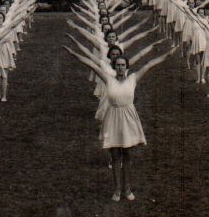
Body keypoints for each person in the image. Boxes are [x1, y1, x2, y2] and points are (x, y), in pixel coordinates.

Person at [69, 48, 174, 201]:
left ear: (127, 67)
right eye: (117, 65)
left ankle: (127, 188)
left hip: (128, 118)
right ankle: (117, 189)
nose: (120, 67)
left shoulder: (133, 78)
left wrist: (167, 54)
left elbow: (150, 64)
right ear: (114, 66)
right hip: (112, 117)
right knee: (115, 155)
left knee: (128, 154)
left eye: (123, 65)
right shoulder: (108, 79)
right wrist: (73, 53)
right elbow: (90, 64)